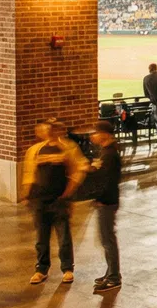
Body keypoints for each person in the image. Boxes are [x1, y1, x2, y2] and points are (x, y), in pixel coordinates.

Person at [20, 119, 86, 284]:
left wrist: (68, 193)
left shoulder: (68, 148)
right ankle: (41, 269)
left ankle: (67, 268)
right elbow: (30, 173)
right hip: (40, 200)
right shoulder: (35, 150)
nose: (46, 131)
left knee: (63, 236)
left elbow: (78, 169)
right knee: (41, 237)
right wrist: (27, 195)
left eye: (51, 128)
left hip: (59, 199)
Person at [85, 122, 124, 293]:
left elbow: (108, 181)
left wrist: (100, 198)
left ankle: (114, 277)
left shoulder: (109, 155)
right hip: (108, 200)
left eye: (96, 133)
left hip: (107, 201)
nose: (92, 136)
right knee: (106, 239)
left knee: (107, 239)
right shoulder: (107, 152)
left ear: (105, 134)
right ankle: (110, 272)